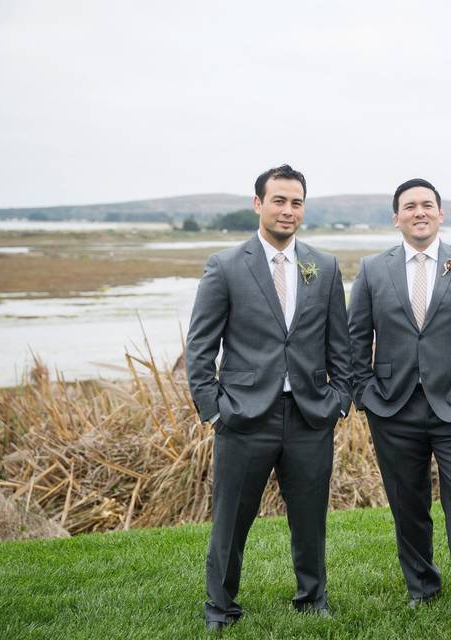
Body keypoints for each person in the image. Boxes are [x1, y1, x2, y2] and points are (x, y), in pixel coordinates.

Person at [185, 164, 352, 632]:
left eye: (296, 202)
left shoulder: (323, 265)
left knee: (310, 517)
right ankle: (221, 606)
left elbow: (340, 343)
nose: (288, 210)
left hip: (309, 415)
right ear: (258, 204)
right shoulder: (225, 266)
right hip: (243, 417)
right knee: (232, 519)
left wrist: (339, 399)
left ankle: (312, 597)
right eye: (278, 200)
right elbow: (200, 347)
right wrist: (213, 409)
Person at [347, 178, 451, 618]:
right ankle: (422, 587)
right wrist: (365, 393)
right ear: (396, 217)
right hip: (392, 407)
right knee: (407, 503)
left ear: (441, 213)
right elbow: (355, 339)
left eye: (427, 205)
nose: (419, 212)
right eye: (410, 206)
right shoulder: (372, 269)